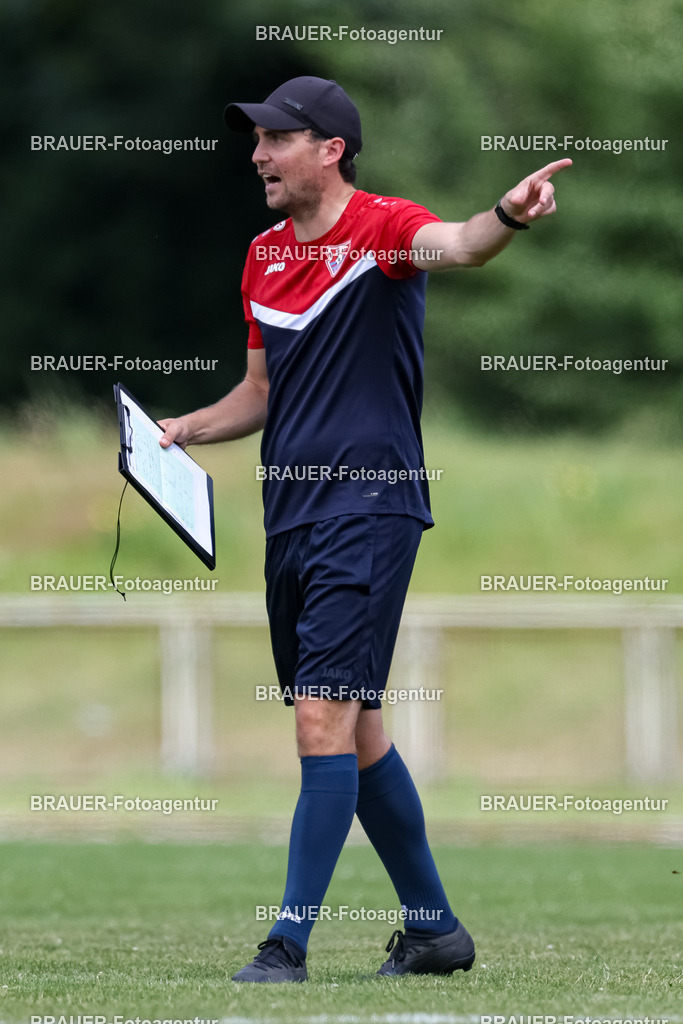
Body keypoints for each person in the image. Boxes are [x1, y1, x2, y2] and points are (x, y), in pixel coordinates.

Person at [158, 76, 571, 983]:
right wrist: (187, 428)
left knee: (320, 717)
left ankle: (285, 945)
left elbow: (460, 244)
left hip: (370, 508)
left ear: (330, 149)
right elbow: (260, 393)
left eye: (275, 139)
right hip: (291, 517)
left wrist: (509, 212)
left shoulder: (384, 228)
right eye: (255, 140)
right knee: (356, 728)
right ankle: (434, 931)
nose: (258, 155)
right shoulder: (262, 254)